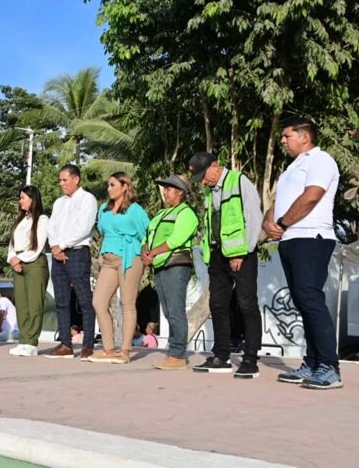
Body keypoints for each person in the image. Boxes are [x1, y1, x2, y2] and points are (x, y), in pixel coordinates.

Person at [263, 116, 342, 390]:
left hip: (312, 236)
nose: (283, 141)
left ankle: (329, 367)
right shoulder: (290, 169)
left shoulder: (320, 160)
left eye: (287, 136)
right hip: (291, 239)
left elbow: (312, 196)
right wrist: (268, 222)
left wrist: (283, 223)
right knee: (302, 301)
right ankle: (312, 362)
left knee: (310, 298)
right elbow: (277, 202)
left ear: (304, 137)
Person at [188, 152, 263, 378]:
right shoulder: (211, 191)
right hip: (218, 255)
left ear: (215, 165)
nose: (202, 181)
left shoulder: (239, 181)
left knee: (246, 304)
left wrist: (243, 251)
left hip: (241, 254)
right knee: (218, 305)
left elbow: (253, 217)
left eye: (203, 175)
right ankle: (221, 355)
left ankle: (250, 358)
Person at [88, 172, 149, 364]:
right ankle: (108, 349)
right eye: (108, 185)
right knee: (98, 302)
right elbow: (101, 231)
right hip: (108, 258)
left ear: (124, 187)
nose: (109, 189)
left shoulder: (136, 210)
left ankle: (125, 351)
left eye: (113, 185)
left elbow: (146, 233)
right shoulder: (104, 210)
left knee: (128, 304)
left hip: (130, 256)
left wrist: (148, 255)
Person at [141, 175, 198, 370]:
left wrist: (152, 252)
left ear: (181, 192)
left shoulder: (187, 213)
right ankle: (174, 352)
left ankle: (177, 354)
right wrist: (145, 253)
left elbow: (176, 239)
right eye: (164, 188)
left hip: (176, 265)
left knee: (175, 310)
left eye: (169, 188)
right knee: (167, 311)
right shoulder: (160, 214)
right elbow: (147, 236)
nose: (165, 192)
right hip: (160, 265)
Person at [45, 164, 98, 360]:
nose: (61, 184)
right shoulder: (59, 203)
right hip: (58, 255)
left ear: (76, 179)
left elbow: (84, 227)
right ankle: (65, 344)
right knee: (61, 301)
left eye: (64, 180)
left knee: (84, 299)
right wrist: (54, 247)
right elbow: (52, 227)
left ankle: (88, 345)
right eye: (60, 180)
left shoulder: (88, 199)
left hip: (77, 252)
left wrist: (63, 245)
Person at [6, 185, 50, 357]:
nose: (20, 201)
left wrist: (20, 259)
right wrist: (12, 259)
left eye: (23, 197)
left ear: (33, 199)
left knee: (34, 304)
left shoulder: (42, 219)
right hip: (17, 263)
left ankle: (32, 341)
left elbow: (38, 245)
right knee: (22, 305)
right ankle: (23, 340)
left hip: (34, 263)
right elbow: (12, 245)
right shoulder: (21, 220)